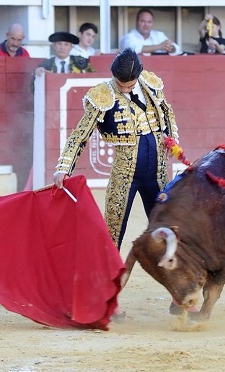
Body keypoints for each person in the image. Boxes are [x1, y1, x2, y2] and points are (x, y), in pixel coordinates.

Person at [53, 48, 179, 251]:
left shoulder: (150, 84)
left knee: (166, 226)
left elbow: (167, 113)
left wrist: (171, 138)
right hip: (125, 174)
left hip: (158, 171)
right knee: (113, 232)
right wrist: (64, 167)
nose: (125, 90)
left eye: (129, 86)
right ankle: (105, 280)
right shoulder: (103, 94)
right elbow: (80, 135)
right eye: (120, 85)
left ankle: (178, 277)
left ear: (137, 76)